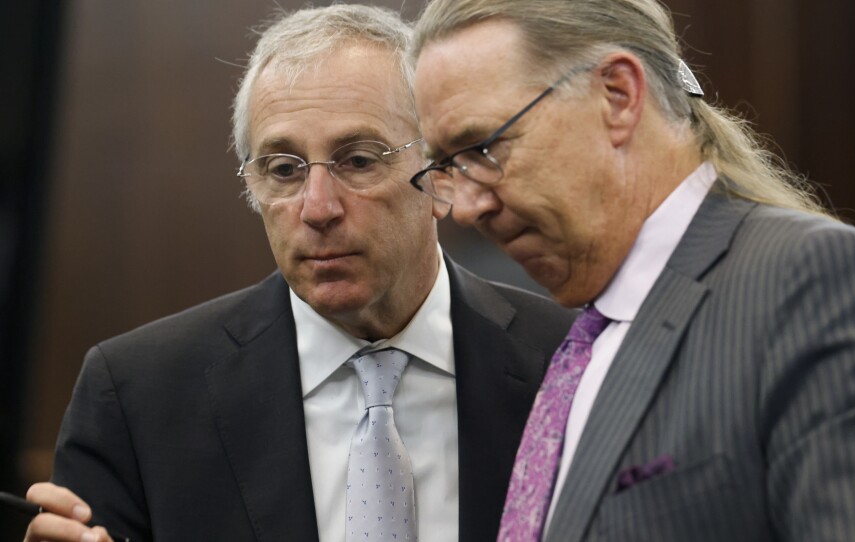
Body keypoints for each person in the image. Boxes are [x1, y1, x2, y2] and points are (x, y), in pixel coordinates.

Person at [23, 5, 576, 542]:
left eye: (358, 160)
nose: (317, 208)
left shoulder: (567, 361)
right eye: (284, 170)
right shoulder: (138, 394)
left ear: (441, 177)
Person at [407, 0, 855, 541]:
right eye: (446, 167)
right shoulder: (576, 345)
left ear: (617, 96)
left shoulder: (806, 281)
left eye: (484, 147)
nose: (465, 208)